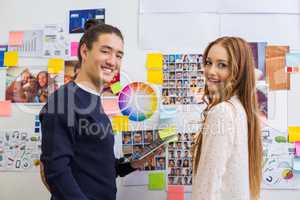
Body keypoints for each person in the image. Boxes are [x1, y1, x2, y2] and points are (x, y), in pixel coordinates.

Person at [40, 24, 148, 200]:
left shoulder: (93, 100)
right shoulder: (63, 100)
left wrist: (132, 165)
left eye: (119, 55)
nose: (113, 61)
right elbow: (57, 173)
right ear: (84, 51)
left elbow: (96, 167)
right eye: (106, 51)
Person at [192, 37, 262, 200]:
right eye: (208, 62)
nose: (210, 71)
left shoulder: (222, 112)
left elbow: (206, 191)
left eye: (222, 65)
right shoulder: (240, 108)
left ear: (238, 71)